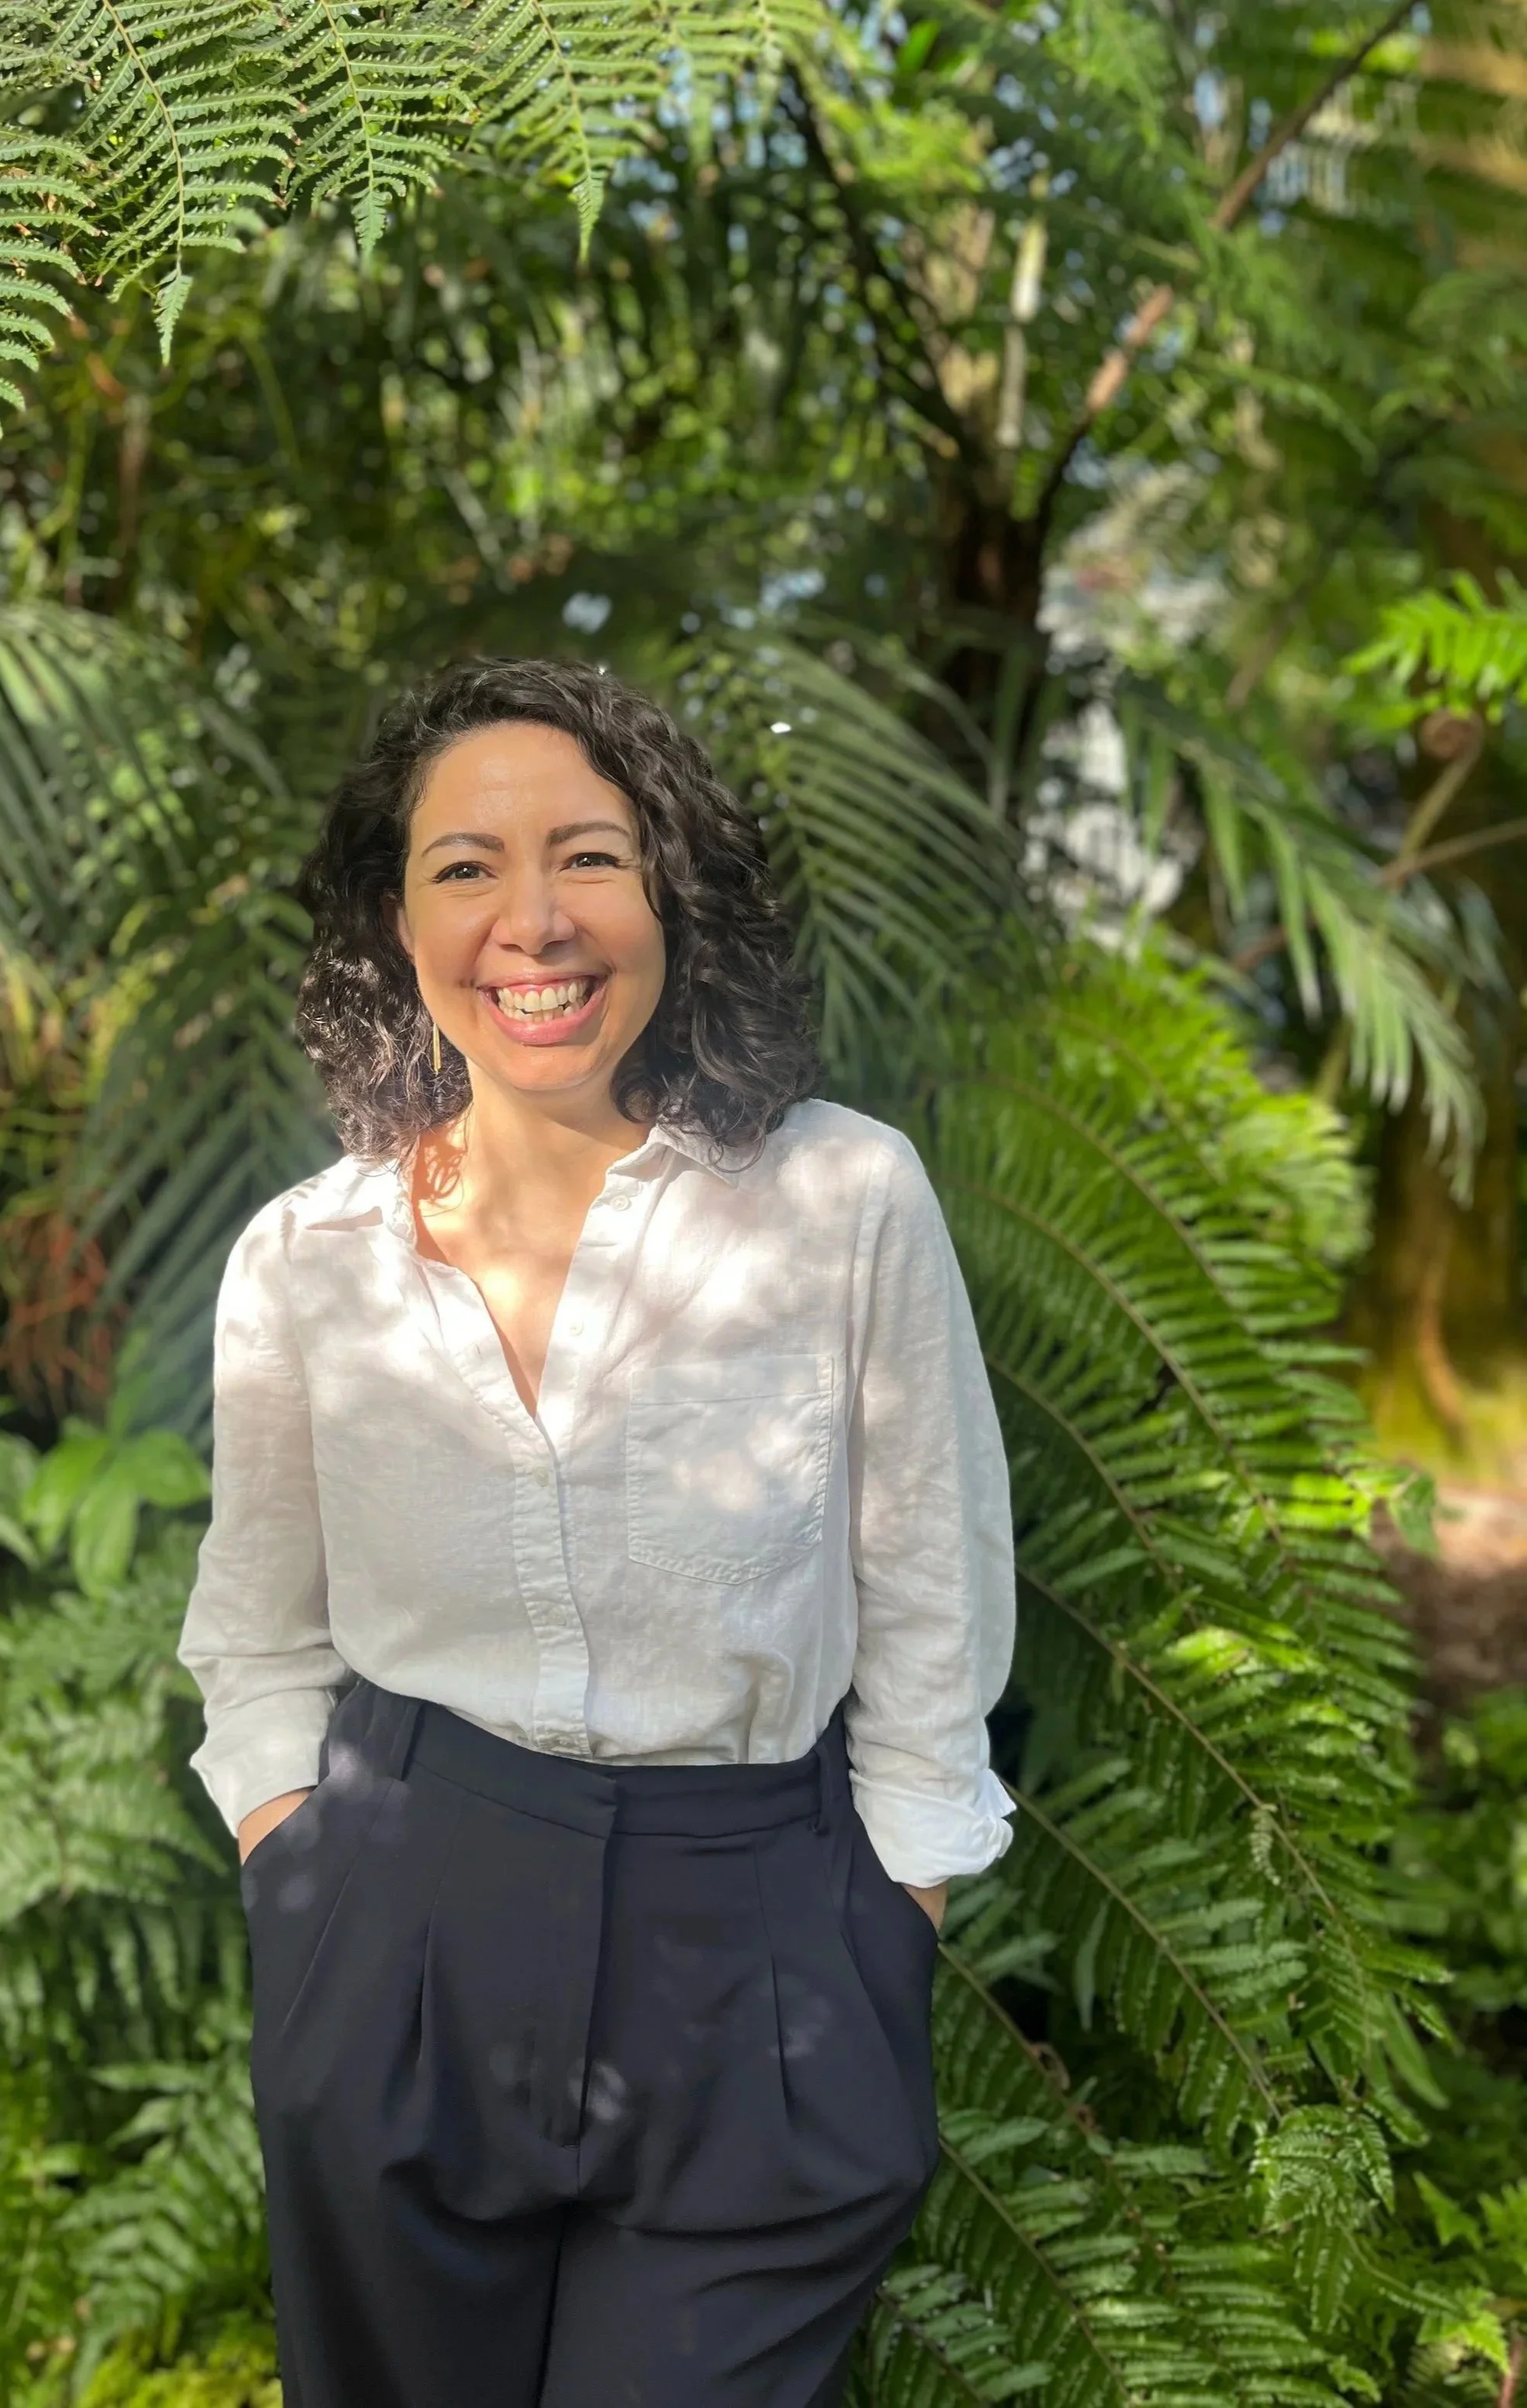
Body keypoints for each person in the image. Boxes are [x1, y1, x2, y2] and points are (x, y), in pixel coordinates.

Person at [177, 656, 1015, 2408]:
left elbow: (930, 1603)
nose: (531, 920)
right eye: (464, 867)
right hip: (398, 1928)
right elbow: (256, 1636)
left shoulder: (843, 1198)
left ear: (670, 891)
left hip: (767, 1946)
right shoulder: (302, 1261)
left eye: (589, 855)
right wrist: (298, 1878)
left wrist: (886, 1928)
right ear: (392, 925)